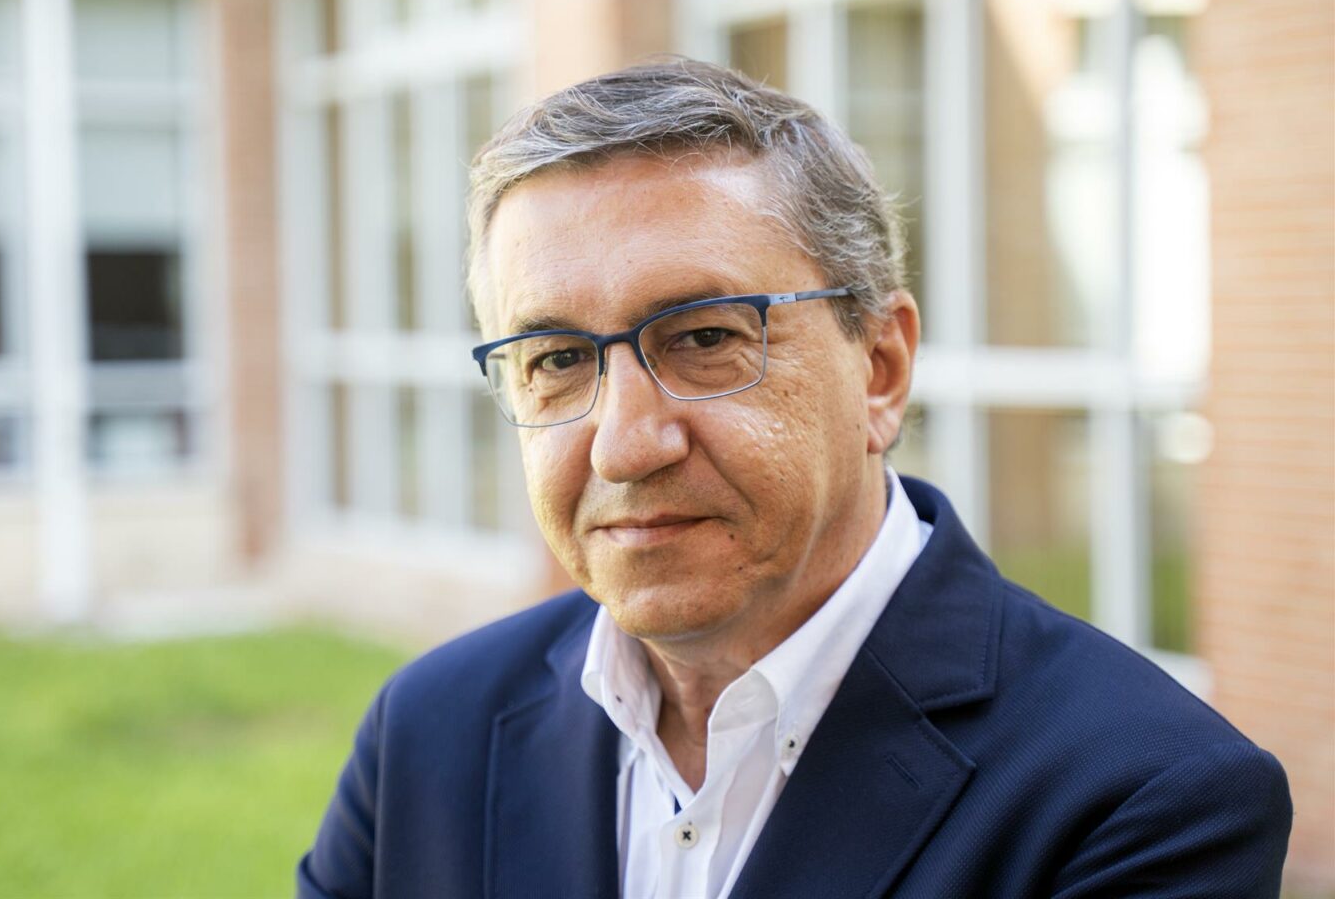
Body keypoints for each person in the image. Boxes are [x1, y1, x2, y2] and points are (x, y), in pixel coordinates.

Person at [295, 59, 1292, 899]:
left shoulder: (1144, 798)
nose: (624, 446)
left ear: (880, 368)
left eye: (704, 339)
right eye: (556, 358)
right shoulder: (429, 731)